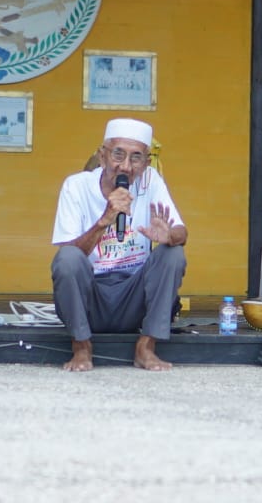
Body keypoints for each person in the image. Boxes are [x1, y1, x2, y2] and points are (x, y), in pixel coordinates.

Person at [51, 118, 188, 372]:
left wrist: (170, 236)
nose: (125, 166)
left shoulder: (151, 181)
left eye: (136, 158)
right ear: (102, 157)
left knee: (173, 254)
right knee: (67, 258)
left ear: (145, 163)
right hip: (91, 298)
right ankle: (81, 346)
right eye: (118, 155)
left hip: (133, 298)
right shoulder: (76, 186)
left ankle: (146, 347)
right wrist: (103, 221)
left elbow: (181, 231)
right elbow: (67, 256)